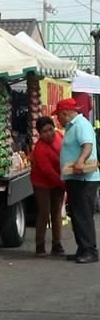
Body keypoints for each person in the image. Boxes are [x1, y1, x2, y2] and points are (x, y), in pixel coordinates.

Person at [55, 97, 100, 263]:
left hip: (84, 179)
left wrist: (80, 161)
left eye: (58, 115)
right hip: (75, 178)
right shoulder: (72, 126)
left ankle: (90, 251)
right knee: (77, 215)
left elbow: (87, 145)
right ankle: (82, 249)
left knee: (83, 215)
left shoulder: (81, 125)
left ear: (65, 113)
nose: (57, 119)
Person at [30, 116, 65, 257]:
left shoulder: (59, 136)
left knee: (56, 213)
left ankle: (57, 244)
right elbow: (48, 172)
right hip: (42, 183)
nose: (49, 133)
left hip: (59, 179)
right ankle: (40, 245)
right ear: (39, 134)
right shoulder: (39, 149)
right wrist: (64, 184)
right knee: (44, 213)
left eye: (51, 129)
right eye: (44, 131)